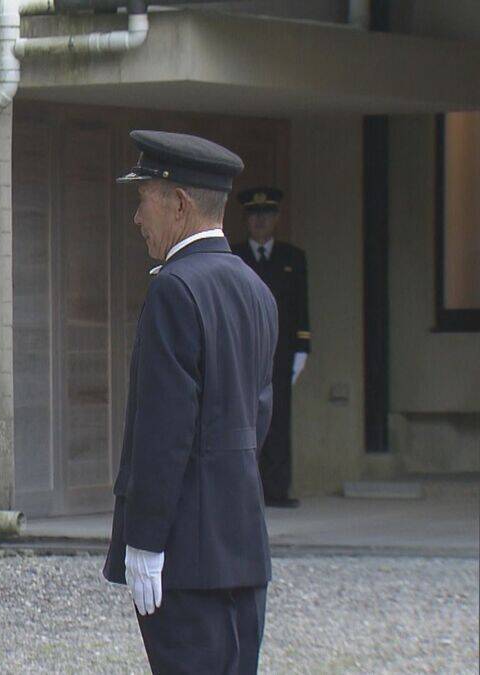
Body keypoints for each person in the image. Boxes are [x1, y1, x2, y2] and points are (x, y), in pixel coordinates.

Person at [103, 130, 278, 674]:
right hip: (240, 544)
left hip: (184, 553)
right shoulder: (255, 287)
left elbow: (163, 429)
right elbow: (258, 417)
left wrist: (146, 539)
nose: (138, 218)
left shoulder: (174, 289)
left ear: (178, 203)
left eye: (144, 199)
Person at [232, 187, 310, 508]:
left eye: (266, 215)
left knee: (278, 420)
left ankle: (277, 488)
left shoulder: (292, 258)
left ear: (276, 218)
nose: (260, 221)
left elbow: (300, 306)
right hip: (244, 350)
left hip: (281, 350)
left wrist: (304, 346)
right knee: (244, 420)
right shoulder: (234, 257)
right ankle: (247, 492)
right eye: (254, 215)